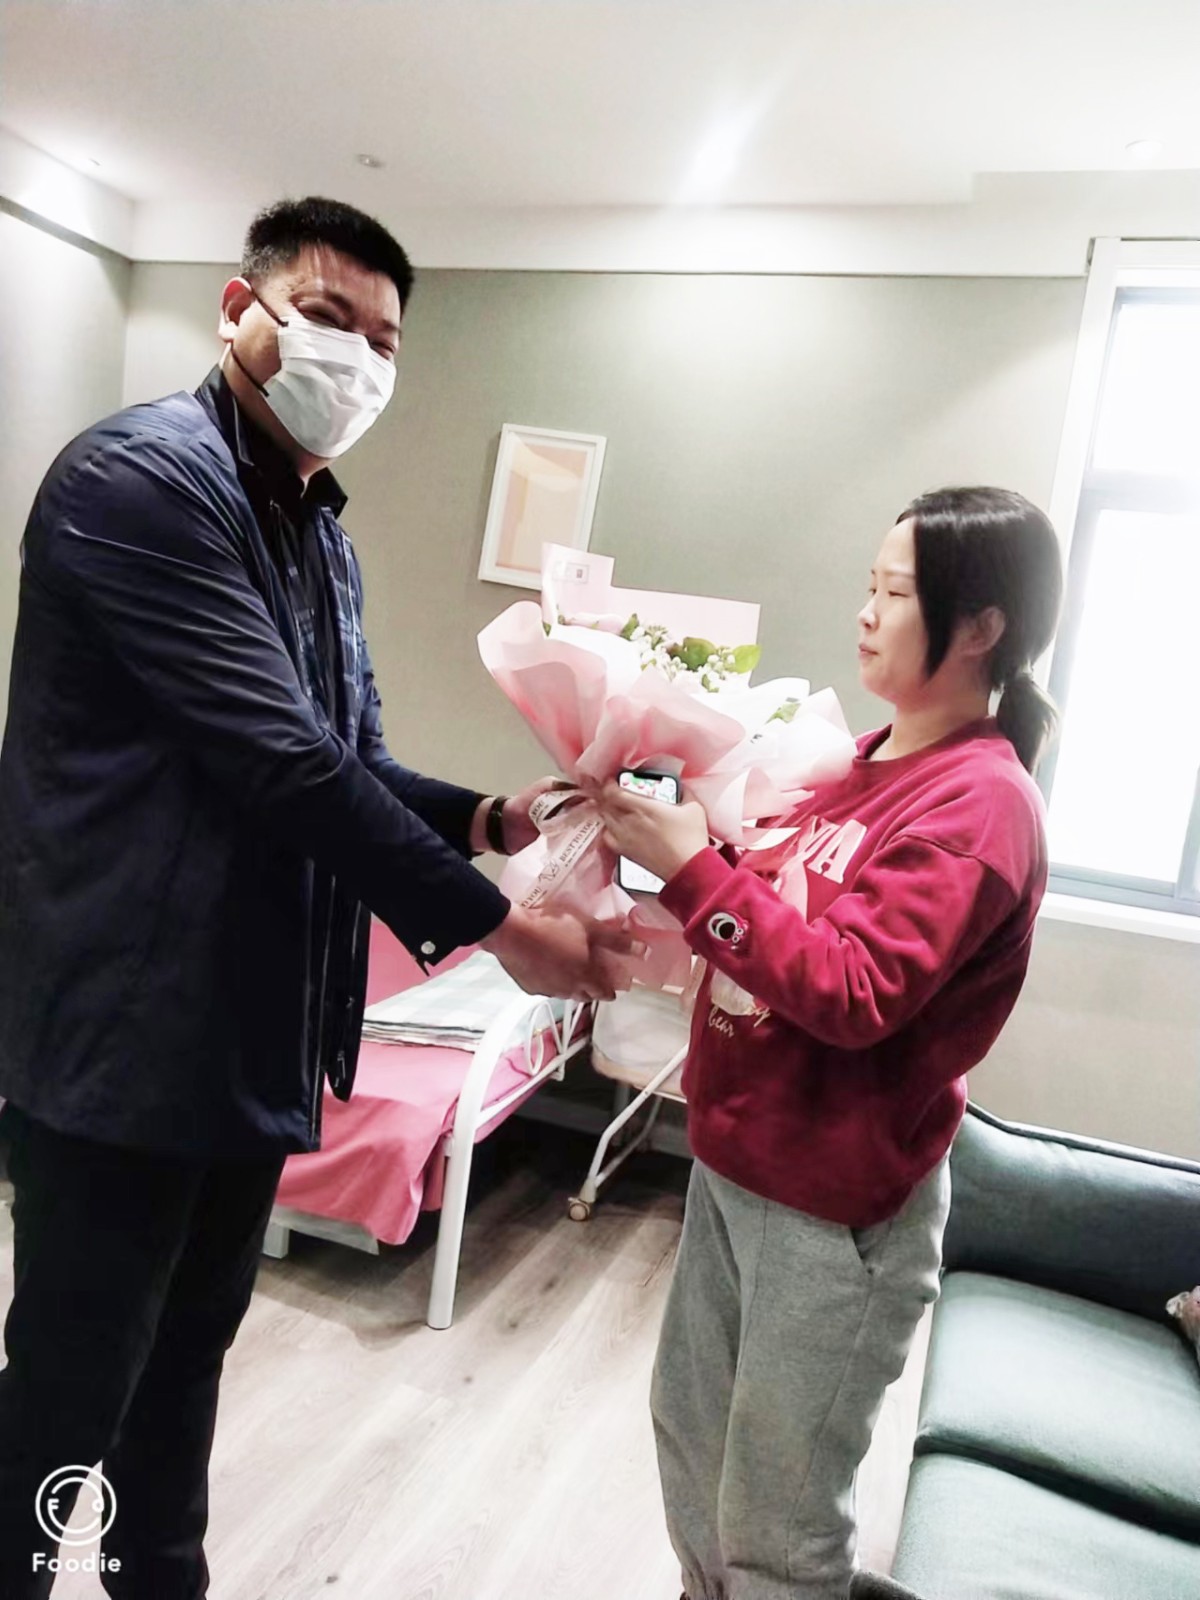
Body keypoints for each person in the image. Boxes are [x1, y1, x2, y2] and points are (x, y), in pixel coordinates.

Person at [0, 195, 628, 1599]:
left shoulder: (319, 536)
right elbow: (281, 762)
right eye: (329, 318)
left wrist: (488, 820)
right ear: (242, 309)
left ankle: (159, 1579)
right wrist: (501, 930)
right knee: (68, 1393)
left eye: (384, 342)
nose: (358, 359)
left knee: (186, 1363)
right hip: (123, 1044)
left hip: (249, 1041)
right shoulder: (142, 483)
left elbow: (349, 757)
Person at [596, 486, 1063, 1600]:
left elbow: (855, 990)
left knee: (778, 1526)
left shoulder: (981, 805)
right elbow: (770, 926)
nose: (866, 611)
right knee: (691, 1455)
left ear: (982, 626)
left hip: (835, 1209)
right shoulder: (851, 764)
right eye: (871, 584)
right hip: (735, 1163)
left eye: (896, 593)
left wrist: (694, 871)